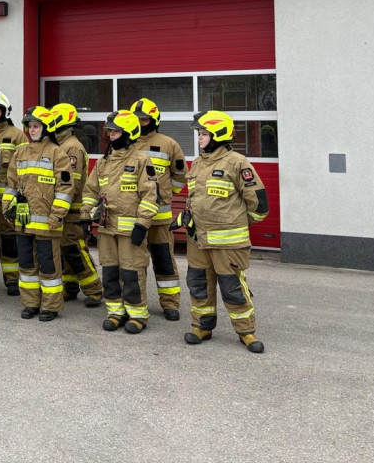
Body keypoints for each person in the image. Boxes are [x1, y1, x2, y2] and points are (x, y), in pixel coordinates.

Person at [179, 111, 268, 353]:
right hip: (198, 241)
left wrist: (236, 222)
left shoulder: (237, 162)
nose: (199, 138)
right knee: (199, 285)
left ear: (217, 135)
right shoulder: (198, 163)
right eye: (200, 133)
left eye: (204, 134)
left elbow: (259, 204)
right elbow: (195, 198)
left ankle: (246, 332)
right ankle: (202, 327)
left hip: (228, 244)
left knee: (233, 289)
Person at [81, 110, 159, 333]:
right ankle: (115, 312)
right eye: (110, 131)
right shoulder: (104, 162)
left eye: (116, 131)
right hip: (107, 229)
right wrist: (86, 217)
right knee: (110, 273)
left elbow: (150, 195)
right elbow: (90, 191)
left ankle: (137, 315)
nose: (111, 135)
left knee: (132, 273)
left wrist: (142, 224)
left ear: (129, 132)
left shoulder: (141, 160)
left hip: (130, 231)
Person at [2, 106, 73, 321]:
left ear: (46, 128)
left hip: (47, 224)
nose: (32, 130)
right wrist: (7, 208)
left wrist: (56, 215)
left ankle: (50, 306)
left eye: (36, 126)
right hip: (23, 221)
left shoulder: (57, 154)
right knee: (26, 265)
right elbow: (11, 185)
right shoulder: (20, 152)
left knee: (49, 266)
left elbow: (65, 188)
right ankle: (30, 303)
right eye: (30, 127)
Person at [129, 98, 187, 320]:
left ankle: (170, 304)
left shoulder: (168, 144)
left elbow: (181, 176)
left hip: (161, 218)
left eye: (143, 119)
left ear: (153, 120)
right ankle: (136, 303)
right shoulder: (128, 143)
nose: (140, 123)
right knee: (136, 263)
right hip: (135, 217)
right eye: (136, 119)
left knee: (164, 262)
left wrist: (165, 193)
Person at [50, 102, 104, 308]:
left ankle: (94, 289)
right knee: (65, 249)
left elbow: (72, 183)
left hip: (72, 209)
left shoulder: (71, 146)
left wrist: (62, 207)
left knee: (75, 249)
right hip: (66, 208)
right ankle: (70, 287)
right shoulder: (62, 144)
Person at [0, 91, 26, 295]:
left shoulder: (17, 134)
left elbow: (25, 167)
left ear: (5, 112)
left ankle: (12, 279)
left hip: (6, 200)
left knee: (9, 239)